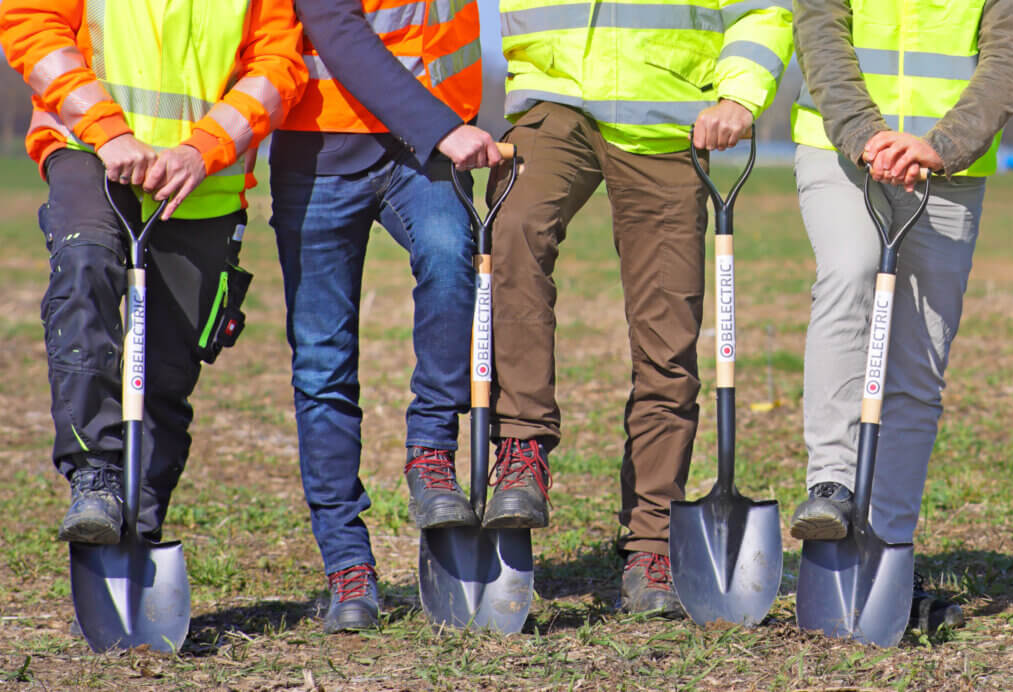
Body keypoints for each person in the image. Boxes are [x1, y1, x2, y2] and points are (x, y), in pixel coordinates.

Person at [485, 0, 793, 615]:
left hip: (668, 120)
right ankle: (521, 448)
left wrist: (738, 97)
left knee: (667, 337)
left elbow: (764, 10)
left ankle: (652, 538)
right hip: (553, 101)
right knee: (510, 233)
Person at [0, 1, 305, 544]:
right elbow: (31, 23)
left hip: (202, 181)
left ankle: (138, 523)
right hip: (90, 148)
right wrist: (108, 131)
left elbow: (278, 63)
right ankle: (96, 474)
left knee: (166, 367)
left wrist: (201, 149)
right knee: (84, 267)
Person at [788, 0, 1013, 632]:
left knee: (921, 355)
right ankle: (832, 486)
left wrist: (942, 145)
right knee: (850, 270)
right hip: (840, 150)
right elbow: (820, 31)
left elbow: (1008, 56)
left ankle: (889, 543)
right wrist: (865, 134)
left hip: (949, 168)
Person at [269, 0, 503, 632]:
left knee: (456, 259)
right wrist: (441, 125)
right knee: (322, 365)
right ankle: (348, 568)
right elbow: (336, 28)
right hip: (317, 149)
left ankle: (430, 450)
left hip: (420, 151)